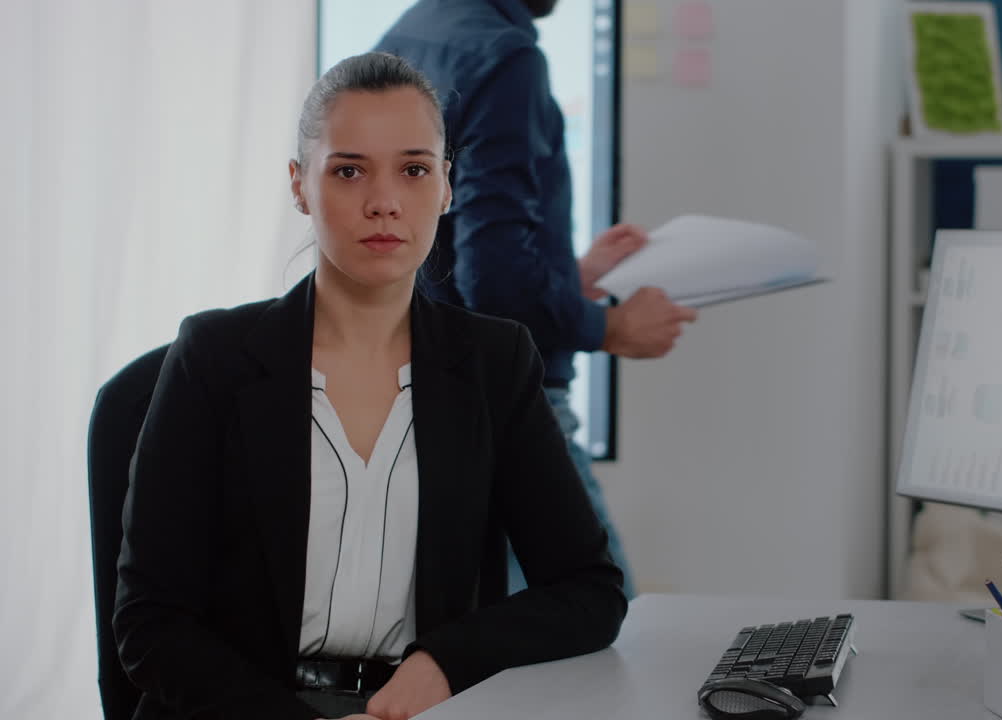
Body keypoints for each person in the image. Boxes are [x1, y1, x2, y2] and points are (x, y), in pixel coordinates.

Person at [112, 52, 627, 720]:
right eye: (349, 171)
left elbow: (588, 589)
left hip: (418, 709)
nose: (384, 202)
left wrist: (444, 663)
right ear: (300, 185)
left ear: (446, 186)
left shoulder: (494, 363)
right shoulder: (213, 357)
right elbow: (150, 622)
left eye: (414, 170)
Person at [375, 0, 698, 599]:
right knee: (602, 620)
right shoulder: (508, 59)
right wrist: (609, 327)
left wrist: (565, 274)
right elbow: (498, 287)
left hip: (425, 390)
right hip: (511, 405)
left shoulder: (411, 33)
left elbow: (447, 258)